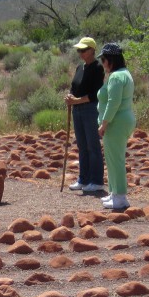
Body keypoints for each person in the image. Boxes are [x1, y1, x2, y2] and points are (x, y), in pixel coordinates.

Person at [97, 42, 136, 210]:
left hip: (116, 122)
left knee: (116, 159)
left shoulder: (116, 77)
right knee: (112, 158)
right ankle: (114, 193)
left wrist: (104, 123)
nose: (103, 63)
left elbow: (113, 103)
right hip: (121, 120)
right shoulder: (124, 74)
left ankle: (120, 196)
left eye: (104, 59)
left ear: (111, 59)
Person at [64, 37, 105, 193]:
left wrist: (76, 101)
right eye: (79, 50)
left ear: (92, 50)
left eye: (83, 50)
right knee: (82, 145)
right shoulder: (79, 68)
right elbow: (75, 87)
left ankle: (96, 180)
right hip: (77, 110)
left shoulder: (97, 68)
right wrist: (70, 97)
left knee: (92, 145)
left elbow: (95, 94)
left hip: (90, 109)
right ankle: (84, 178)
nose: (80, 53)